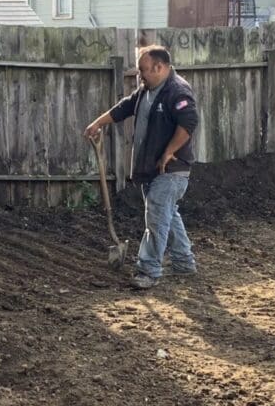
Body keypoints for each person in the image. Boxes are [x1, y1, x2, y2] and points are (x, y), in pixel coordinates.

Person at [84, 45, 198, 289]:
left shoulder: (177, 91)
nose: (140, 75)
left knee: (157, 217)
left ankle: (148, 271)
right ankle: (184, 262)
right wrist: (97, 123)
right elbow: (125, 107)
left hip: (172, 170)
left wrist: (169, 151)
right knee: (167, 214)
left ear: (159, 67)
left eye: (143, 70)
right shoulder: (147, 90)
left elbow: (189, 123)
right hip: (151, 168)